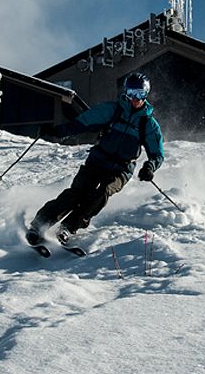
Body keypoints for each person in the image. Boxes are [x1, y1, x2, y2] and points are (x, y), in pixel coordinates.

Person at [27, 72, 165, 247]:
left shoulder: (148, 124)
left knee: (101, 194)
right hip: (98, 160)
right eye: (131, 93)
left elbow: (157, 154)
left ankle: (68, 227)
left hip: (121, 169)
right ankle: (40, 224)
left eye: (139, 94)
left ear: (145, 95)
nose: (134, 99)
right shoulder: (113, 110)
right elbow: (82, 122)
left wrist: (150, 167)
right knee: (78, 192)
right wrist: (57, 131)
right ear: (126, 92)